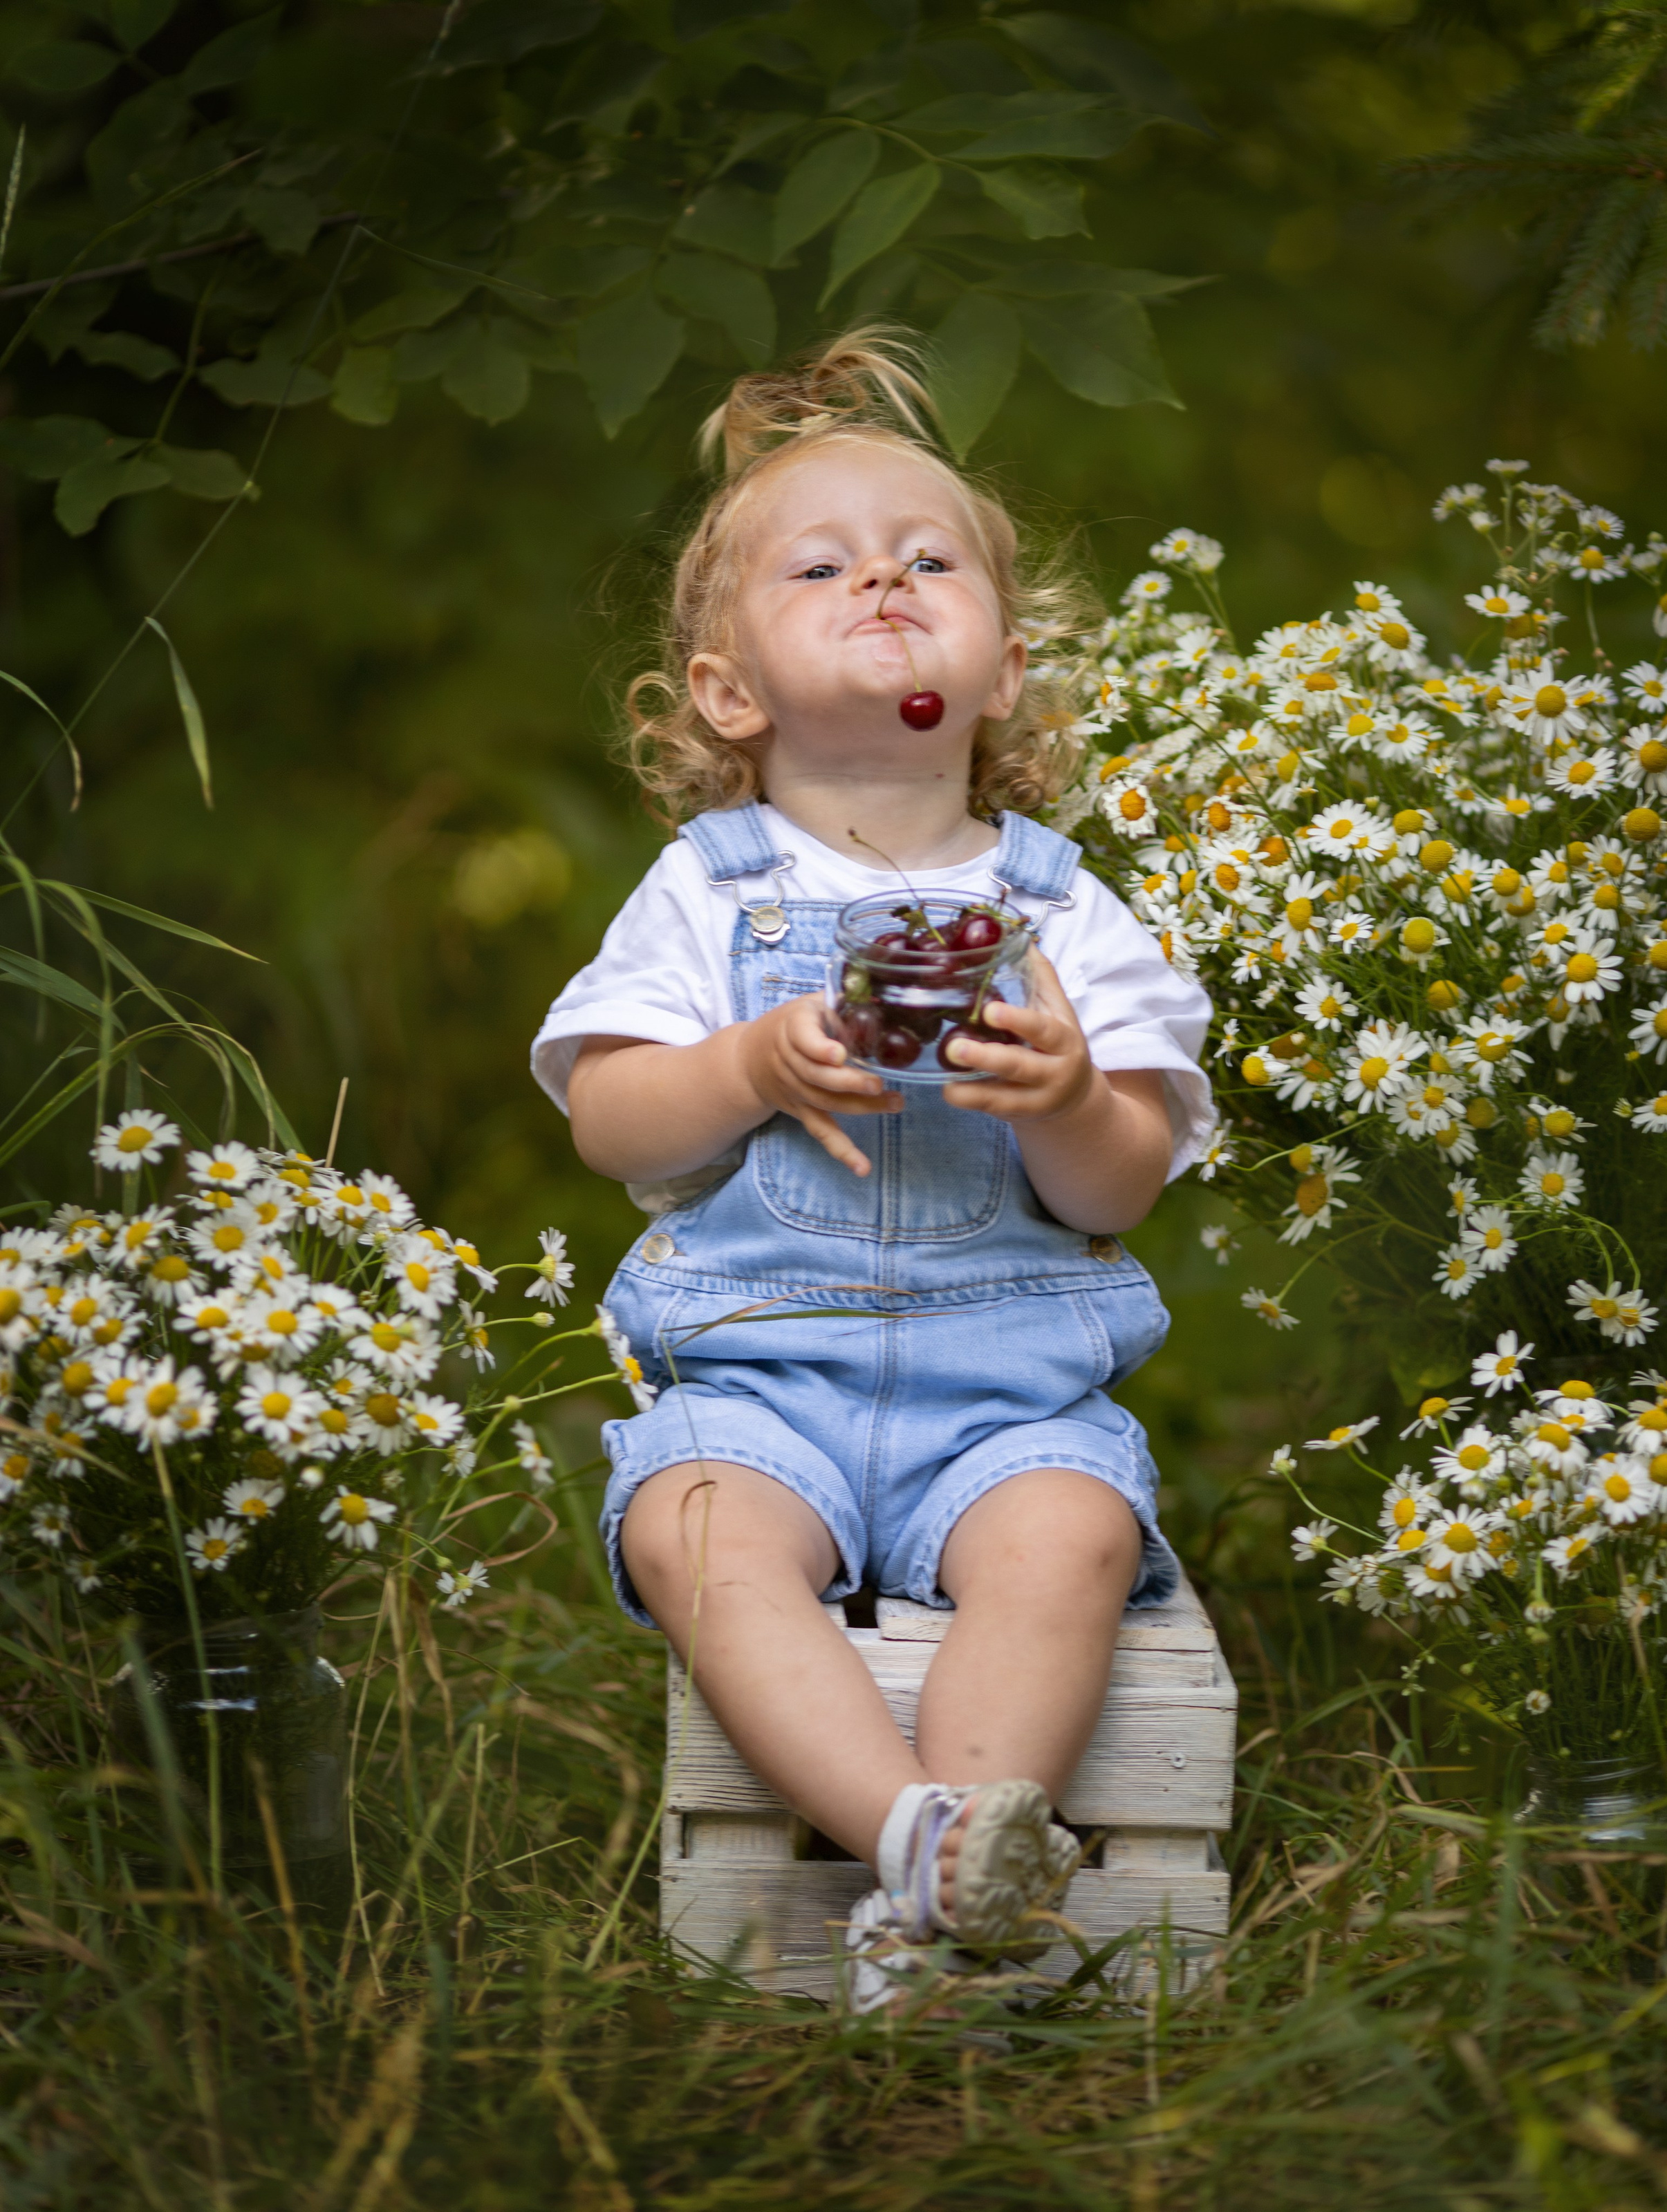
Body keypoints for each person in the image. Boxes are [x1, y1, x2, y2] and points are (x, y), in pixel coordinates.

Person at [531, 329, 1213, 2007]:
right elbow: (607, 1120)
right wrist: (747, 1061)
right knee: (695, 1529)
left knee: (1065, 1541)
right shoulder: (704, 893)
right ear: (726, 690)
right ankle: (923, 1847)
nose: (885, 584)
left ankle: (949, 1873)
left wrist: (1064, 1094)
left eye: (928, 564)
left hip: (1012, 1395)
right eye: (823, 566)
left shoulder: (1065, 912)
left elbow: (1117, 1187)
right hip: (760, 1378)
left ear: (1000, 671)